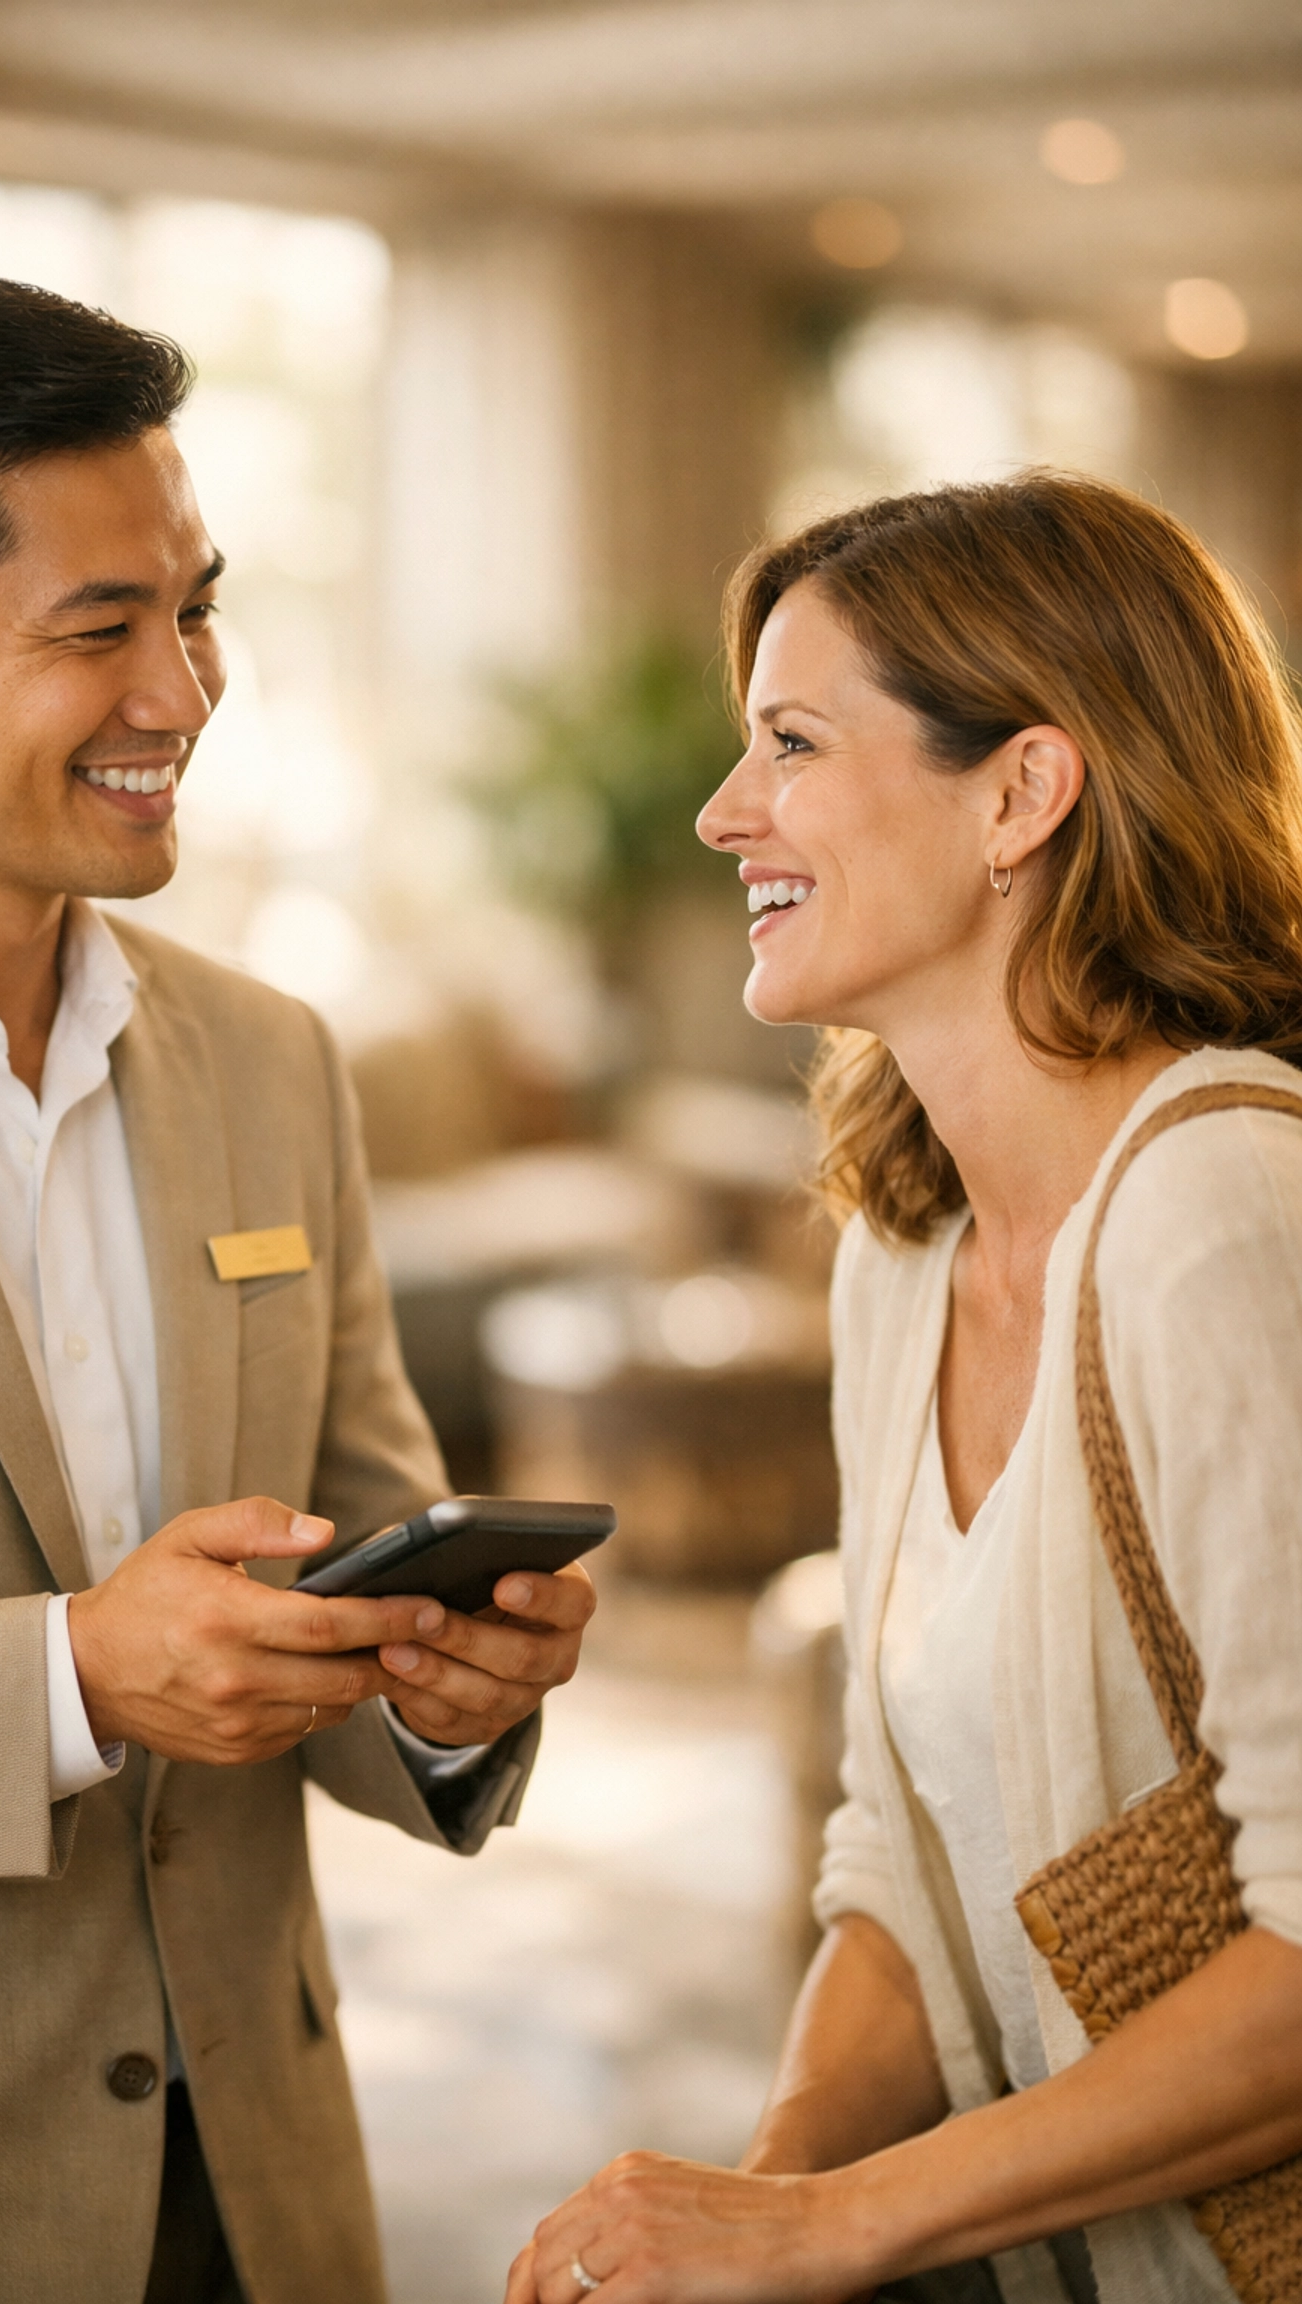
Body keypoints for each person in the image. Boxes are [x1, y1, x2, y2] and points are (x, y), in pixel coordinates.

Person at [0, 267, 595, 2304]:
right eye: (99, 630)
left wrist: (443, 1697)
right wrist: (68, 1681)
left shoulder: (268, 1059)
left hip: (267, 2184)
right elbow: (113, 1669)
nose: (184, 692)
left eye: (196, 606)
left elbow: (358, 1532)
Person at [506, 473, 1302, 2304]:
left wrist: (834, 2223)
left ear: (1023, 793)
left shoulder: (1220, 1213)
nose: (724, 813)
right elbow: (897, 1848)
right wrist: (758, 2203)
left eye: (790, 741)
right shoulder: (903, 1251)